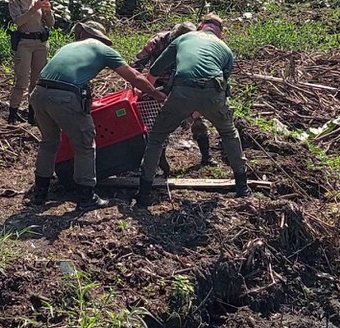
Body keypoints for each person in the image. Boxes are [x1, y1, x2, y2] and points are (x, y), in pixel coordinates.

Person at [30, 20, 166, 211]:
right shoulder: (102, 49)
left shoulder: (68, 47)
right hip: (64, 97)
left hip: (38, 94)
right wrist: (155, 94)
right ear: (100, 37)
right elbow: (133, 76)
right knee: (85, 144)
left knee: (49, 143)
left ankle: (40, 195)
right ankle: (86, 197)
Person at [135, 13, 250, 207]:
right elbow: (224, 84)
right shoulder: (226, 49)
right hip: (213, 93)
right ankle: (242, 187)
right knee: (229, 134)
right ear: (221, 34)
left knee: (156, 137)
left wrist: (148, 95)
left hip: (181, 92)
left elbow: (153, 72)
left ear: (200, 26)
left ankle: (144, 193)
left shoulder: (184, 38)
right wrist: (200, 109)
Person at [132, 22, 217, 168]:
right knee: (154, 121)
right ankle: (157, 159)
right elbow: (137, 64)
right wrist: (137, 85)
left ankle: (206, 156)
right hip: (157, 82)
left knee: (198, 118)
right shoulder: (157, 41)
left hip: (184, 83)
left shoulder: (197, 43)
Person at [8, 0, 55, 125]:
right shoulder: (15, 0)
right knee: (21, 80)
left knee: (37, 81)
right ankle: (12, 114)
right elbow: (18, 22)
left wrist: (47, 10)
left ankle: (32, 113)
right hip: (25, 43)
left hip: (40, 43)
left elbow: (51, 24)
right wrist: (34, 9)